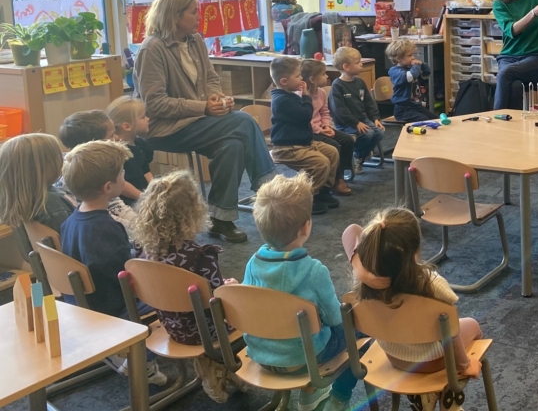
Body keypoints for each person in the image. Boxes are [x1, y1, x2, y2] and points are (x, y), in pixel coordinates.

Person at [134, 0, 275, 243]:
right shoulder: (152, 49)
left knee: (232, 145)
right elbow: (154, 104)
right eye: (193, 12)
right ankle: (271, 192)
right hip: (165, 129)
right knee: (244, 121)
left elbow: (211, 77)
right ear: (174, 16)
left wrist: (216, 98)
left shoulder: (195, 40)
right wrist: (203, 107)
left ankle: (222, 219)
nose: (199, 16)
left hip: (197, 122)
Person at [343, 208, 484, 411]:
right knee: (472, 325)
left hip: (394, 358)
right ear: (416, 250)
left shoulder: (364, 284)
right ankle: (450, 397)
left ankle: (425, 395)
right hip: (434, 361)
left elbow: (350, 231)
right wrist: (465, 365)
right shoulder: (432, 284)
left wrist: (362, 271)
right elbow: (451, 332)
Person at [244, 173, 360, 411]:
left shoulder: (252, 264)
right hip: (303, 359)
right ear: (306, 227)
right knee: (358, 329)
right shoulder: (314, 271)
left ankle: (310, 392)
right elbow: (335, 319)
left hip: (261, 355)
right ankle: (337, 397)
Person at [60, 140, 169, 386]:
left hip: (81, 304)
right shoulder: (105, 228)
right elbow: (127, 277)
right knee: (176, 298)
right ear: (108, 187)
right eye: (122, 174)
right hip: (111, 309)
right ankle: (139, 359)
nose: (124, 177)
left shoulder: (70, 221)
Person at [134, 171, 241, 402]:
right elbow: (216, 302)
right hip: (208, 331)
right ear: (194, 212)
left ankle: (211, 367)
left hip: (171, 327)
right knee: (247, 301)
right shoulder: (200, 256)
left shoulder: (144, 256)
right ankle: (221, 367)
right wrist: (229, 287)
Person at [269, 57, 342, 216]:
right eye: (297, 76)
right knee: (321, 163)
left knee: (332, 152)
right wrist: (306, 96)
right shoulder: (282, 100)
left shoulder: (290, 95)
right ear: (284, 81)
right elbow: (305, 115)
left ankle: (323, 192)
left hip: (304, 144)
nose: (301, 78)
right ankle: (307, 198)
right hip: (288, 148)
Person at [57, 110, 136, 231]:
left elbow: (114, 203)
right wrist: (140, 230)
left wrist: (140, 222)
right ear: (94, 145)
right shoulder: (78, 174)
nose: (116, 138)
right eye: (111, 136)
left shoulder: (98, 165)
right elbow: (100, 217)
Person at [0, 134, 75, 238]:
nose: (63, 161)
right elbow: (73, 242)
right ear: (43, 167)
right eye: (58, 157)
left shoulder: (19, 200)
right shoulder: (51, 205)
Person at [300, 59, 353, 196]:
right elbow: (305, 119)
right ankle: (335, 180)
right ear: (312, 79)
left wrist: (326, 126)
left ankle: (339, 175)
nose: (327, 76)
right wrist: (320, 130)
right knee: (333, 145)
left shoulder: (321, 92)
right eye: (323, 74)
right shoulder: (301, 96)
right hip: (309, 131)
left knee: (347, 140)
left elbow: (324, 112)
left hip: (322, 128)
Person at [329, 47, 385, 175]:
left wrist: (375, 118)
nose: (361, 64)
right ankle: (359, 155)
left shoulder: (359, 82)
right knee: (368, 134)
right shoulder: (337, 85)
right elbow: (339, 111)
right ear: (346, 66)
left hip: (361, 119)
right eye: (357, 62)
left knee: (379, 132)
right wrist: (355, 123)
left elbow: (369, 102)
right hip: (345, 123)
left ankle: (360, 155)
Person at [106, 96, 153, 205]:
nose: (148, 119)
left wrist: (155, 188)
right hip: (127, 201)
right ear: (127, 126)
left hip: (143, 193)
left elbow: (145, 170)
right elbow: (121, 184)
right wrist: (143, 197)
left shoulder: (141, 145)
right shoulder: (116, 152)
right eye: (143, 117)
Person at [386, 39, 437, 123]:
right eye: (409, 55)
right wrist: (416, 65)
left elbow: (426, 74)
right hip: (403, 110)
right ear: (398, 58)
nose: (413, 57)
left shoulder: (411, 68)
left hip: (416, 106)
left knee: (435, 119)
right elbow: (410, 76)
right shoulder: (395, 71)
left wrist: (422, 64)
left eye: (413, 54)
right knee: (426, 122)